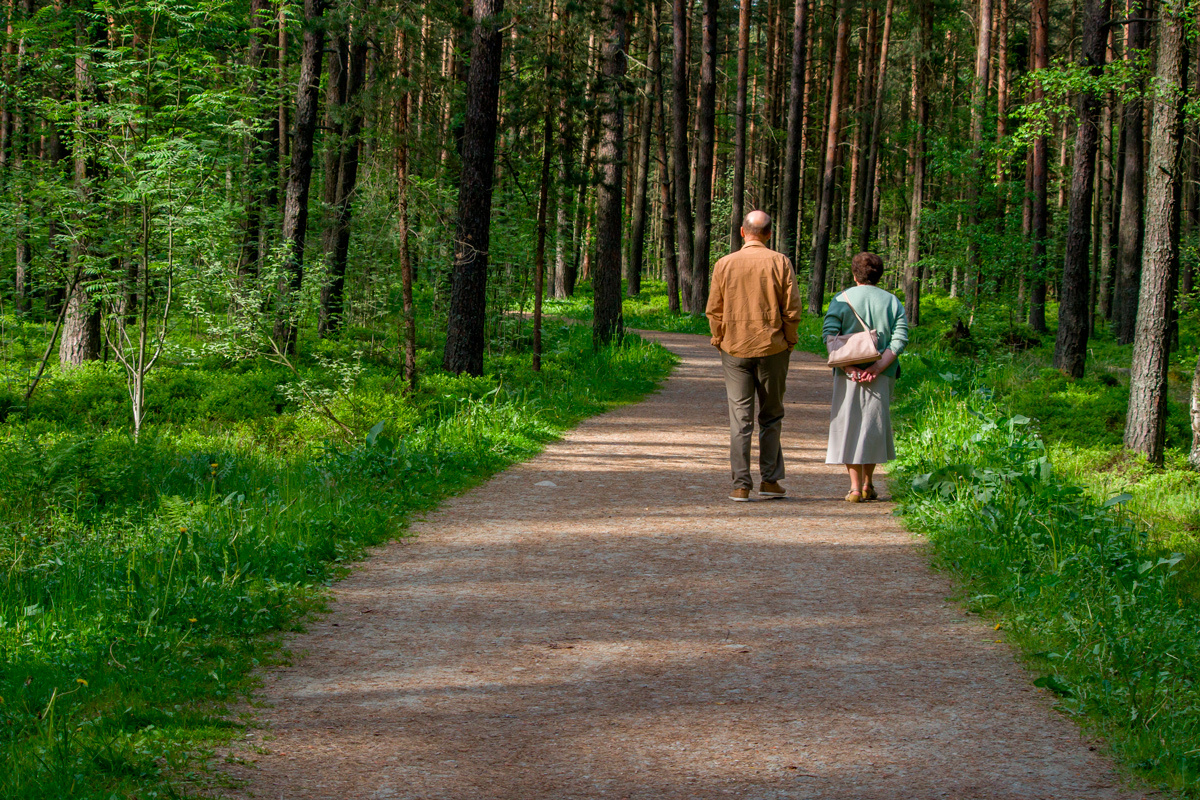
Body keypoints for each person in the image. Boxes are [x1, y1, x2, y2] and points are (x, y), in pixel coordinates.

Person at [705, 210, 802, 502]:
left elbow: (714, 308)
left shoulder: (724, 264)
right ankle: (770, 481)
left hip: (734, 348)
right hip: (773, 348)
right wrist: (789, 340)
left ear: (742, 232)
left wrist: (720, 338)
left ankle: (740, 485)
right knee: (771, 416)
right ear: (769, 234)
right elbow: (793, 308)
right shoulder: (780, 262)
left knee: (740, 419)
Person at [822, 251, 909, 502]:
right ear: (880, 275)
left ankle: (855, 488)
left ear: (854, 274)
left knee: (848, 425)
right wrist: (878, 367)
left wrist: (849, 369)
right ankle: (870, 484)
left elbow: (830, 336)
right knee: (873, 426)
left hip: (847, 372)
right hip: (883, 373)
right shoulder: (892, 301)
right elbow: (900, 338)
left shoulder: (841, 299)